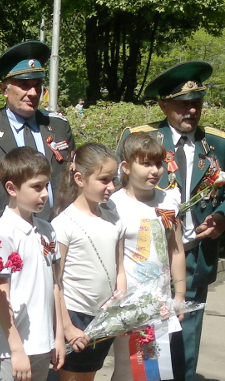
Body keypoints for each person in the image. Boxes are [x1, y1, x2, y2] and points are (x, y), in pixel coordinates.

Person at [117, 61, 225, 381]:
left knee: (187, 341)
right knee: (146, 346)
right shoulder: (141, 139)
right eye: (182, 104)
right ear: (164, 104)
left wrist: (221, 216)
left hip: (195, 253)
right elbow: (119, 194)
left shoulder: (218, 142)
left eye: (196, 103)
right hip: (149, 258)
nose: (191, 110)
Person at [0, 41, 76, 248]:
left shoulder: (58, 126)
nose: (32, 93)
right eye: (24, 85)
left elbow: (69, 181)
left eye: (37, 85)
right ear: (5, 89)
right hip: (4, 242)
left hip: (57, 237)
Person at [110, 132, 186, 381]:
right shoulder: (114, 204)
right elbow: (114, 257)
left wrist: (180, 295)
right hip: (129, 302)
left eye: (158, 163)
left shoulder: (169, 200)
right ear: (126, 167)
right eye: (146, 164)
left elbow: (175, 249)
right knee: (127, 369)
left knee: (157, 371)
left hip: (161, 303)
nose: (154, 171)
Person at [0, 147, 65, 381]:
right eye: (36, 187)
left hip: (42, 342)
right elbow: (0, 294)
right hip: (11, 348)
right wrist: (16, 349)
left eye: (46, 186)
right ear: (11, 188)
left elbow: (55, 284)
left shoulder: (47, 229)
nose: (44, 194)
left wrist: (58, 335)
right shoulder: (2, 233)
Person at [51, 143, 126, 381]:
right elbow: (56, 282)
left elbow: (119, 266)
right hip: (75, 315)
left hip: (103, 315)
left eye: (114, 180)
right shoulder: (64, 224)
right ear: (79, 179)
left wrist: (121, 295)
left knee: (88, 376)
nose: (111, 187)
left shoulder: (113, 218)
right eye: (104, 180)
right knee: (70, 377)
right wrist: (66, 327)